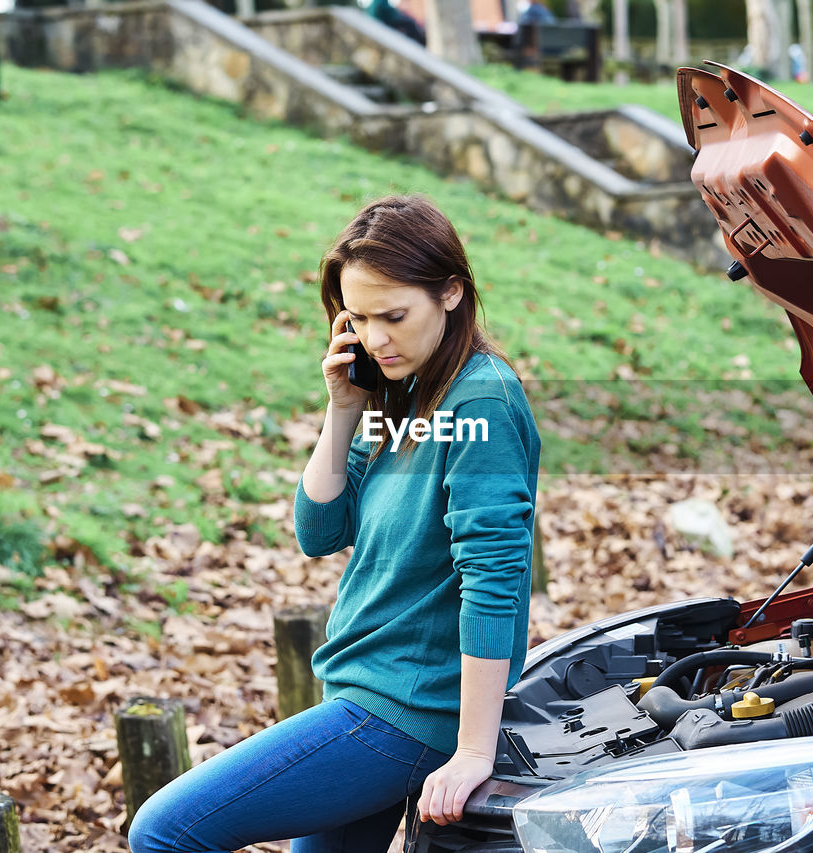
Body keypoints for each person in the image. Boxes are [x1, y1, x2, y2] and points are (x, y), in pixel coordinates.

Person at [128, 195, 541, 853]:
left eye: (395, 315)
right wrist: (343, 407)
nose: (377, 338)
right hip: (364, 690)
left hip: (401, 712)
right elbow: (318, 531)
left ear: (453, 292)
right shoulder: (398, 395)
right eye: (359, 318)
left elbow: (494, 577)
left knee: (165, 830)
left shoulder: (480, 400)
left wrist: (471, 749)